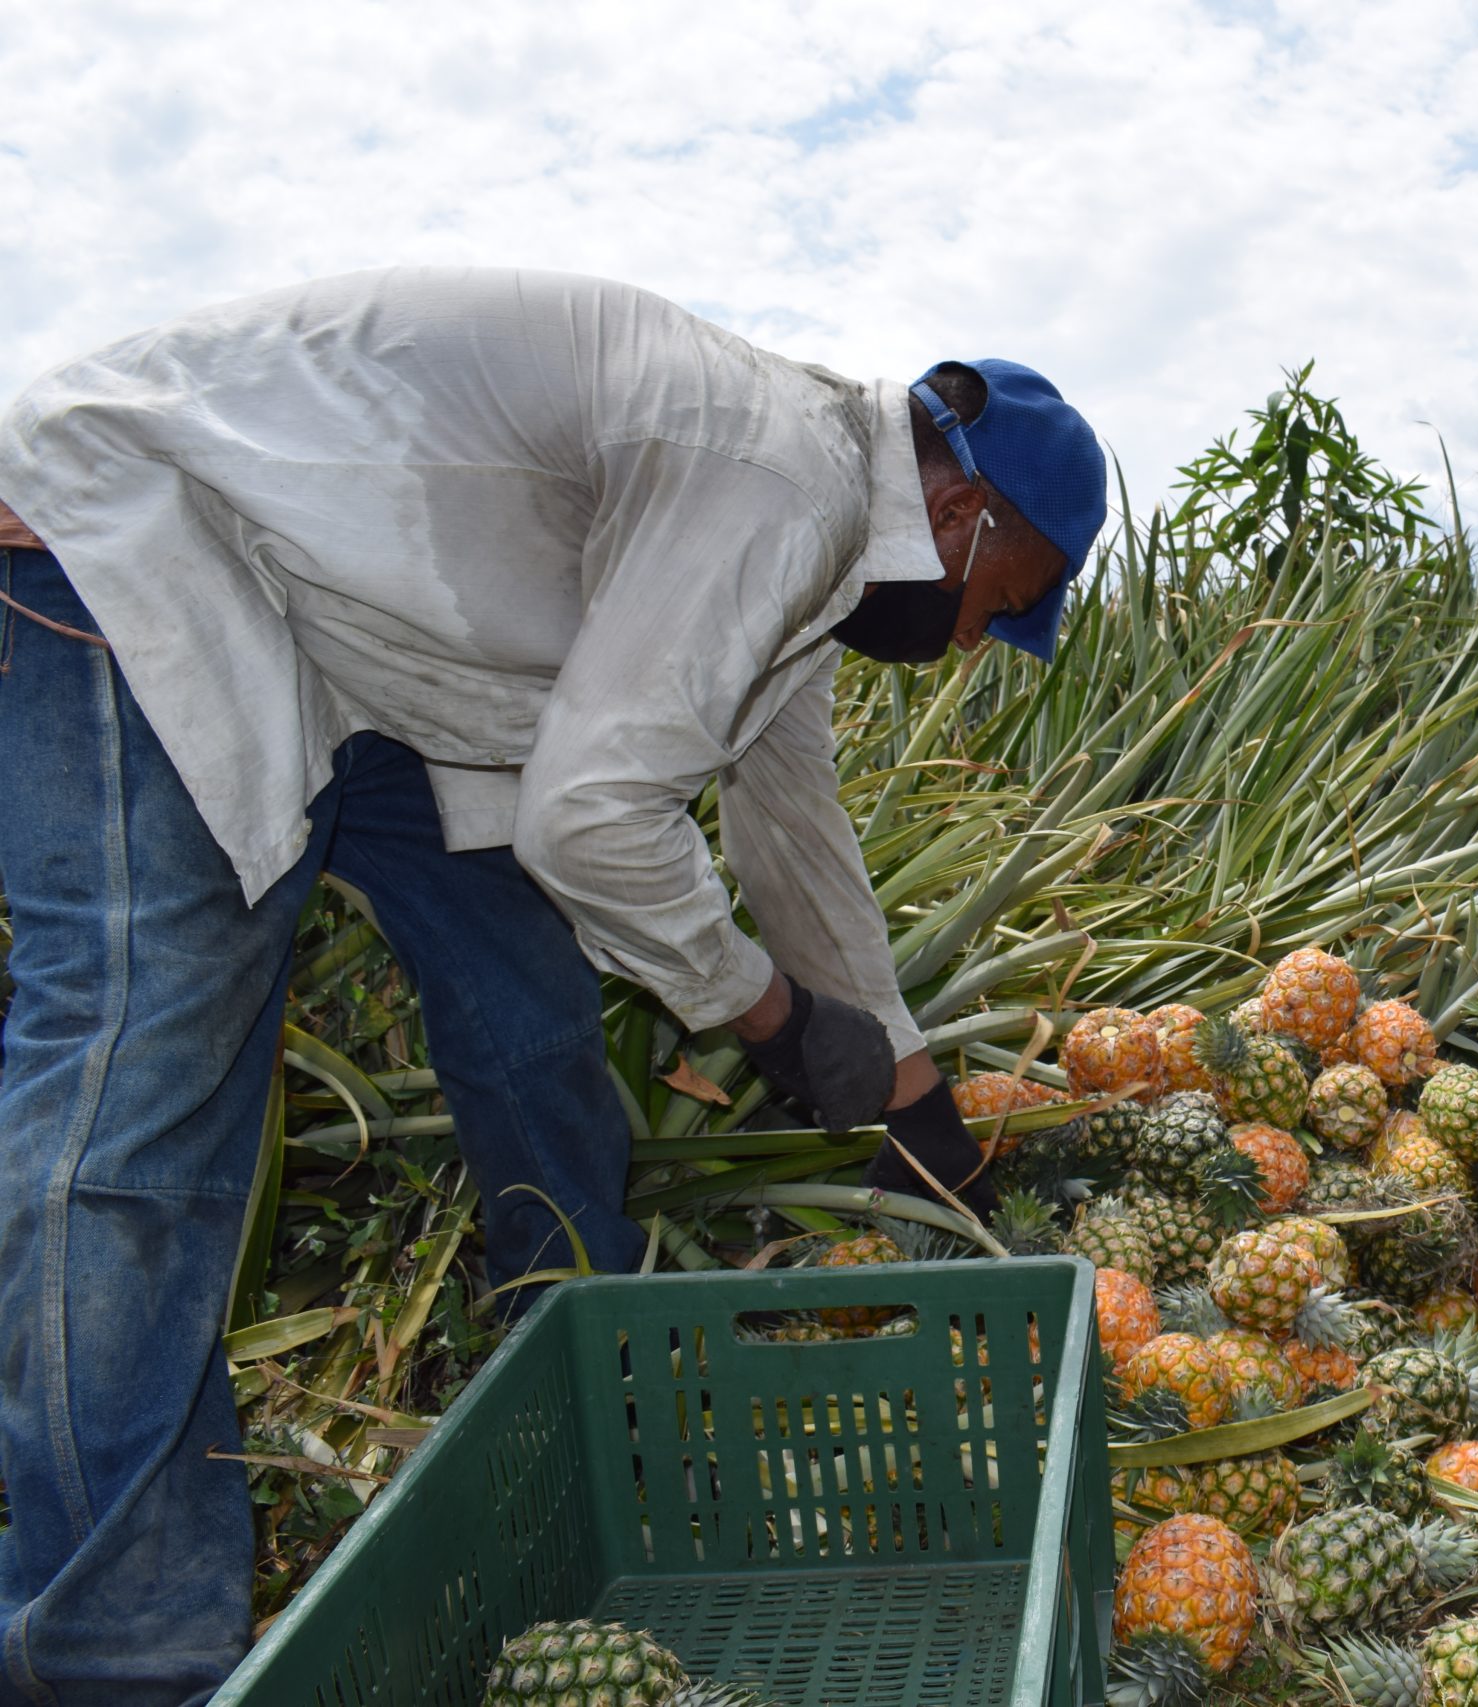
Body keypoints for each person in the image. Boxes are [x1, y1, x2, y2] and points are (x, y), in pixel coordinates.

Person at [0, 267, 1106, 1705]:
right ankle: (109, 1650)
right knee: (140, 1102)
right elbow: (587, 820)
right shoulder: (778, 477)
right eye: (996, 609)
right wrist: (763, 1013)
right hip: (145, 550)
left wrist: (913, 1100)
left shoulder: (814, 560)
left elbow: (796, 831)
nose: (967, 644)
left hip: (370, 654)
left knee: (531, 1015)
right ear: (968, 520)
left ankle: (580, 1399)